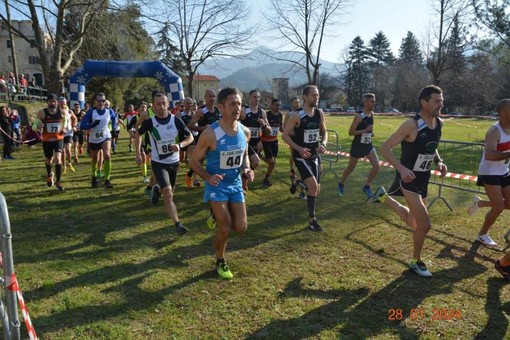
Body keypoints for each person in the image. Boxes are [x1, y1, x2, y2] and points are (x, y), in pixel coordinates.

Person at [367, 85, 447, 277]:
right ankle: (415, 261)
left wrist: (439, 161)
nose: (441, 104)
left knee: (414, 222)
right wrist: (401, 169)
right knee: (425, 224)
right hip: (408, 178)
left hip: (423, 179)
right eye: (437, 100)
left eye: (441, 100)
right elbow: (385, 147)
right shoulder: (412, 124)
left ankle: (384, 197)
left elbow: (432, 147)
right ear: (424, 102)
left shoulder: (439, 123)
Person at [190, 87, 254, 279]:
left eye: (239, 104)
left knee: (241, 227)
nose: (237, 108)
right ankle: (220, 260)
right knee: (225, 226)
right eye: (232, 104)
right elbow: (193, 161)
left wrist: (247, 169)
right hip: (216, 185)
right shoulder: (211, 133)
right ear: (221, 107)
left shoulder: (245, 131)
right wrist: (208, 177)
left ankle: (214, 213)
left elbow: (244, 156)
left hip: (235, 184)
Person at [135, 91, 194, 236]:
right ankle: (178, 224)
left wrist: (180, 146)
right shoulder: (150, 122)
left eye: (164, 103)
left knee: (170, 192)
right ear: (153, 107)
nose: (161, 106)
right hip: (158, 162)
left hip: (174, 162)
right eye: (158, 104)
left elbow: (190, 137)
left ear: (168, 104)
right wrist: (138, 152)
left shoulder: (175, 120)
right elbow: (138, 133)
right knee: (168, 193)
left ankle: (157, 190)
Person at [282, 85, 328, 232]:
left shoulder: (319, 113)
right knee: (313, 187)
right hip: (301, 156)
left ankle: (296, 181)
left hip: (314, 155)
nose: (316, 97)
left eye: (318, 95)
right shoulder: (297, 115)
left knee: (316, 190)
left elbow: (324, 132)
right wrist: (299, 149)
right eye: (313, 95)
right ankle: (312, 220)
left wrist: (324, 144)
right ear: (305, 97)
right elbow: (285, 135)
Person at [467, 99, 510, 247]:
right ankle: (482, 234)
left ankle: (480, 203)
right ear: (503, 113)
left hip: (504, 171)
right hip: (490, 172)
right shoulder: (494, 131)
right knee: (498, 206)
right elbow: (489, 155)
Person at [337, 93, 381, 198]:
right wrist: (364, 131)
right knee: (350, 168)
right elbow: (351, 132)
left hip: (368, 145)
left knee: (377, 166)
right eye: (371, 101)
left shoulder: (372, 114)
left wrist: (370, 133)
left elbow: (368, 129)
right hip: (357, 146)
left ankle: (367, 186)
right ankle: (341, 183)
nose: (373, 103)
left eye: (374, 101)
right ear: (365, 102)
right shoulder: (358, 116)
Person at [80, 92, 117, 188]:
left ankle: (107, 180)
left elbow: (114, 119)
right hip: (94, 138)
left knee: (107, 156)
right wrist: (92, 125)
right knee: (94, 159)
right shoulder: (91, 112)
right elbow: (82, 125)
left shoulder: (109, 111)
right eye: (99, 100)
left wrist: (113, 127)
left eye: (103, 100)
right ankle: (94, 177)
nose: (101, 102)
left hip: (105, 136)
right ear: (95, 102)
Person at [186, 89, 221, 188]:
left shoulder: (218, 110)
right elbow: (189, 126)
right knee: (199, 161)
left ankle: (215, 180)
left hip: (215, 141)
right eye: (210, 96)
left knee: (216, 160)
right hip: (203, 141)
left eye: (214, 96)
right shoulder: (201, 111)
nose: (212, 98)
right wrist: (202, 128)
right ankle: (191, 176)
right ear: (205, 97)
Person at [33, 93, 66, 190]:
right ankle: (50, 174)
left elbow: (65, 121)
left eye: (54, 101)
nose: (53, 103)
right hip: (47, 139)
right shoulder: (41, 113)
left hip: (58, 138)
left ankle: (58, 182)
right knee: (48, 160)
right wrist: (38, 127)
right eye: (51, 101)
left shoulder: (62, 112)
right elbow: (34, 126)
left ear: (57, 102)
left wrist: (64, 128)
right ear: (47, 102)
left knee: (58, 158)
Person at [240, 89, 271, 190]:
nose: (257, 99)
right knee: (256, 161)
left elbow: (269, 130)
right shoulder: (244, 110)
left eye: (258, 97)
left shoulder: (262, 112)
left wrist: (264, 125)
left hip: (256, 143)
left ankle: (243, 179)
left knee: (248, 164)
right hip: (245, 142)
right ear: (249, 98)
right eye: (254, 97)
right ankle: (243, 181)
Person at [284, 97, 306, 199]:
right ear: (291, 103)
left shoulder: (302, 113)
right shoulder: (289, 114)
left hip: (302, 141)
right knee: (294, 155)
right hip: (293, 139)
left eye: (298, 102)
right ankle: (292, 170)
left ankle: (296, 182)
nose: (297, 104)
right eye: (295, 102)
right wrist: (291, 132)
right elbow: (284, 127)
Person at [260, 98, 283, 186]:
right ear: (272, 105)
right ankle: (260, 155)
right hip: (266, 141)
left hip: (274, 141)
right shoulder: (267, 115)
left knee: (273, 162)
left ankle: (266, 179)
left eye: (280, 105)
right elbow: (262, 128)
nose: (279, 107)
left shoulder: (280, 115)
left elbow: (280, 127)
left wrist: (288, 133)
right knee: (271, 161)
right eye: (277, 105)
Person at [58, 97, 77, 173]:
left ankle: (69, 163)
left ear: (66, 103)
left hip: (69, 132)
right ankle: (64, 166)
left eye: (64, 104)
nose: (63, 105)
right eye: (61, 104)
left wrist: (74, 126)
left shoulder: (69, 111)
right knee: (62, 151)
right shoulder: (56, 112)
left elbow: (75, 118)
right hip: (60, 133)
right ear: (59, 104)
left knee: (68, 149)